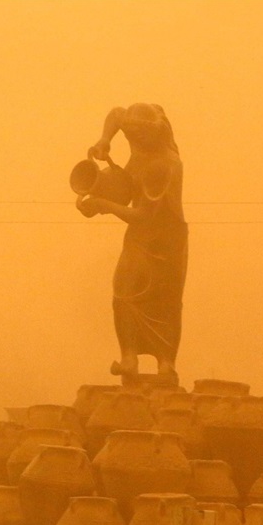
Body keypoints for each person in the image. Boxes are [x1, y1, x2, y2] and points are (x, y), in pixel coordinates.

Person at [76, 103, 188, 382]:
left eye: (139, 138)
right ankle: (129, 358)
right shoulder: (138, 131)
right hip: (139, 238)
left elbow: (142, 216)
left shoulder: (165, 164)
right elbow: (116, 113)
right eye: (131, 136)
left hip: (166, 240)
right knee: (123, 291)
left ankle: (166, 364)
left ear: (153, 135)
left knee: (165, 300)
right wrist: (105, 140)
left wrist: (104, 205)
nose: (134, 141)